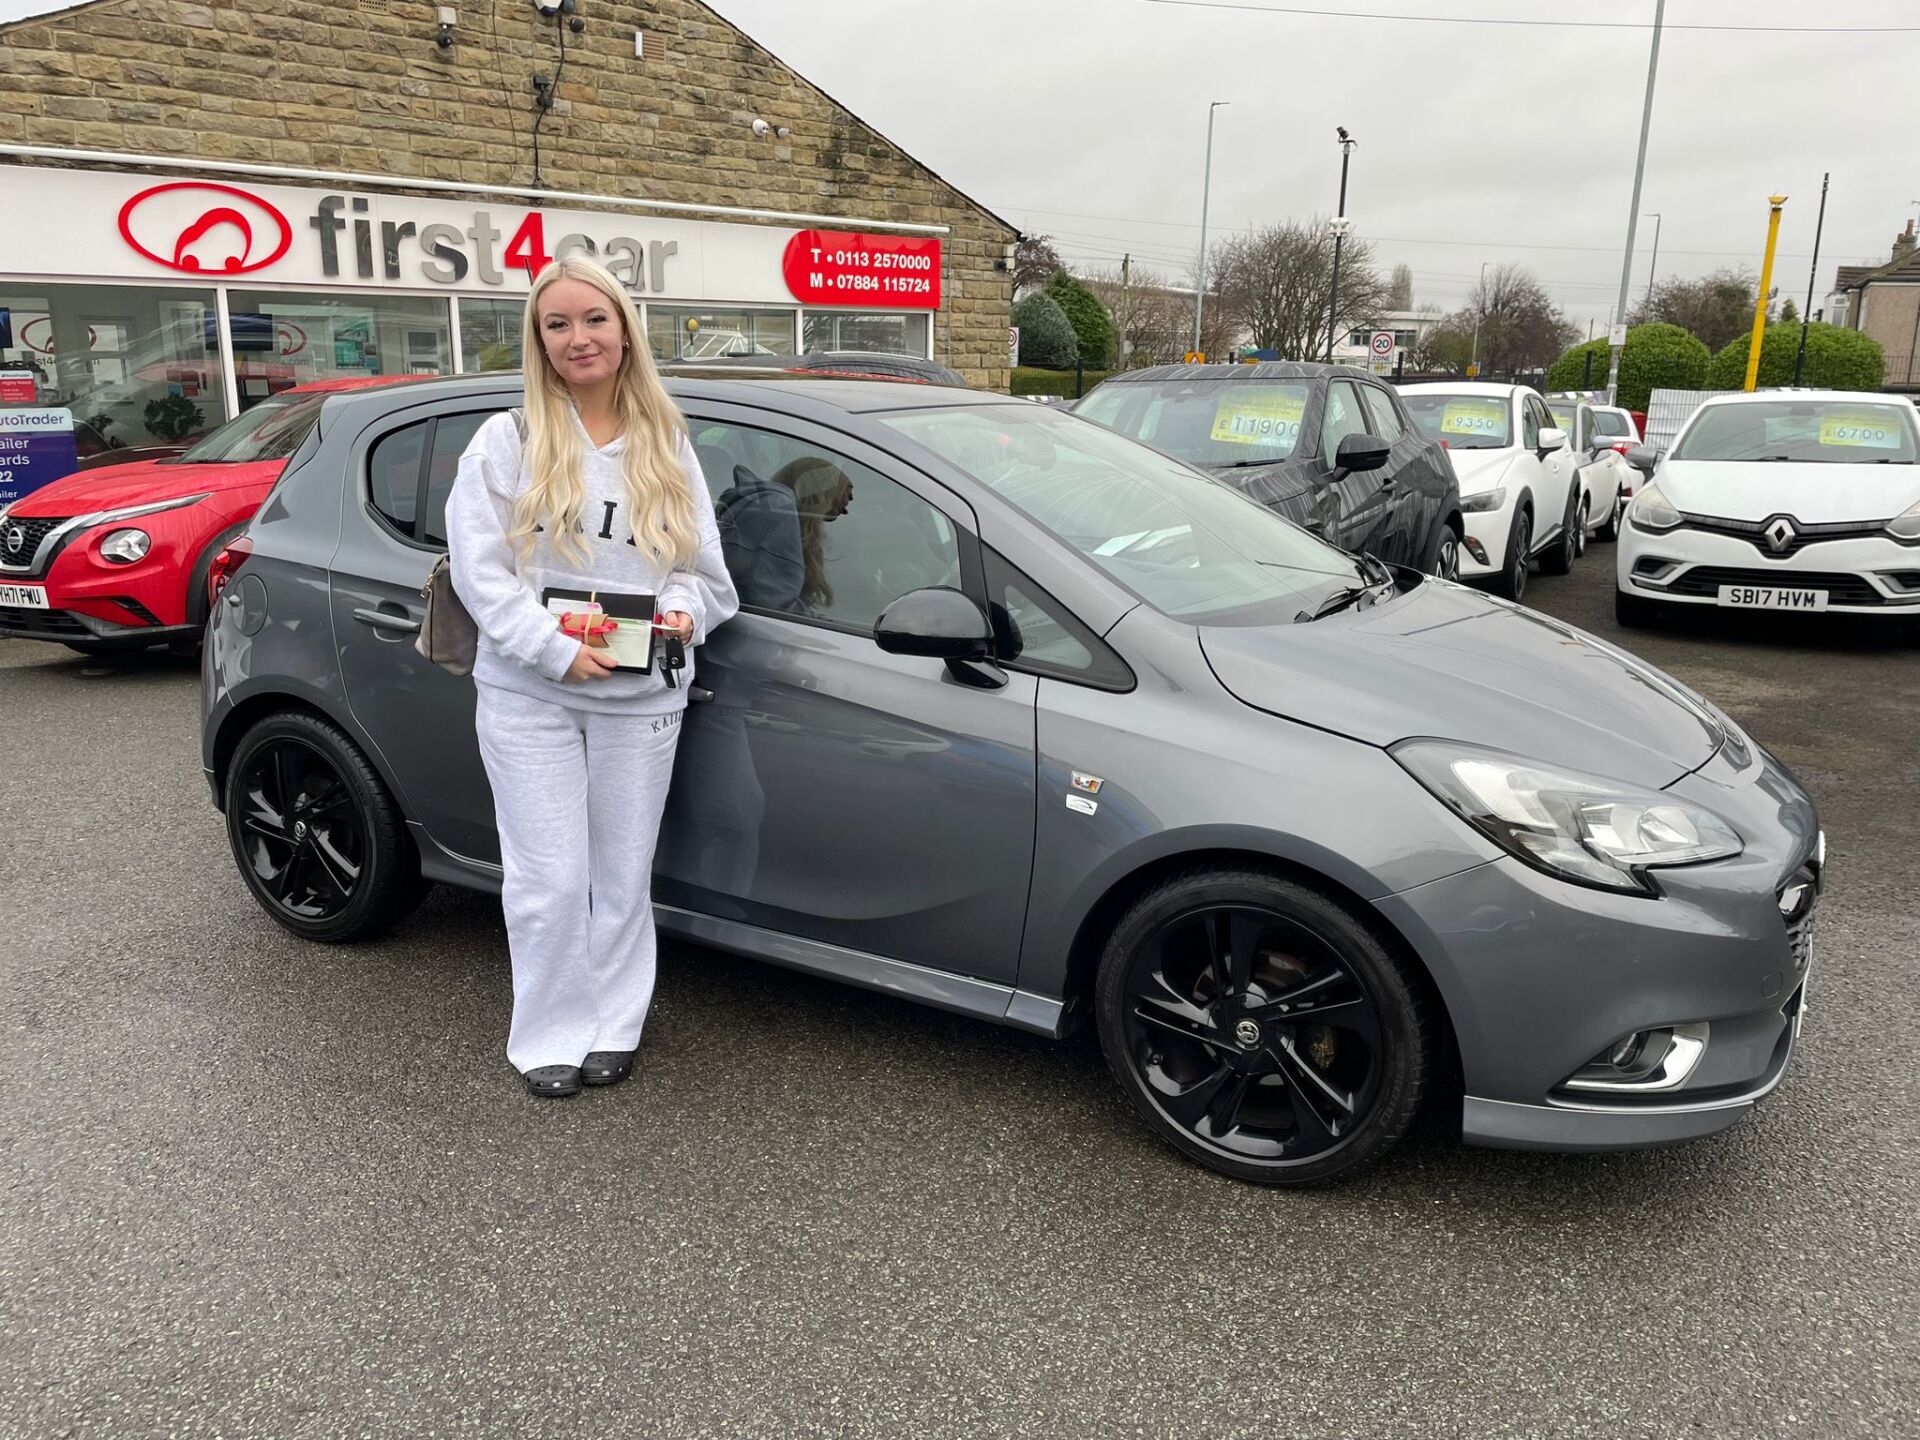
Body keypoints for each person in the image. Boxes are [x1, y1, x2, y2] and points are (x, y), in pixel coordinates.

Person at [445, 256, 738, 1099]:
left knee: (620, 873)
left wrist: (682, 613)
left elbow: (700, 573)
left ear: (624, 328)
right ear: (539, 341)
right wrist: (551, 646)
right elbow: (480, 571)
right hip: (530, 691)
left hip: (641, 697)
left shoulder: (665, 443)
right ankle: (549, 1033)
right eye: (558, 324)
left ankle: (615, 1024)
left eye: (594, 319)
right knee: (549, 878)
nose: (579, 338)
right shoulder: (507, 441)